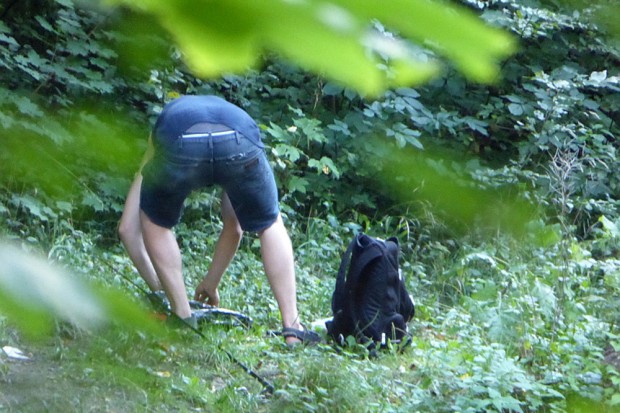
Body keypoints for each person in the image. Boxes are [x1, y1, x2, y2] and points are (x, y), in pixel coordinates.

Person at [118, 95, 319, 345]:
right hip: (238, 140)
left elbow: (128, 228)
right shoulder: (229, 114)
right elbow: (234, 227)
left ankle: (182, 318)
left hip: (182, 139)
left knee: (155, 222)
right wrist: (210, 283)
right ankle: (293, 329)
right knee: (269, 224)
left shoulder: (162, 129)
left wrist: (164, 291)